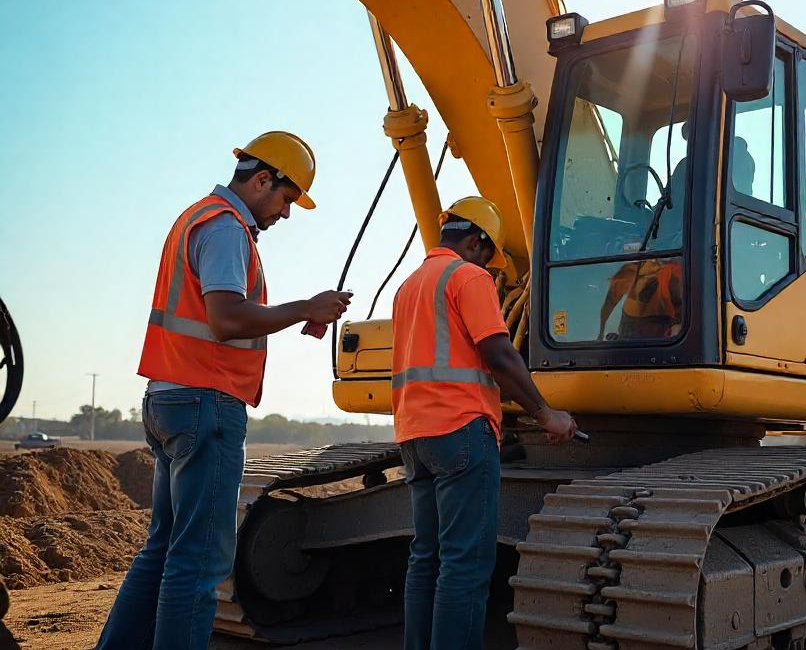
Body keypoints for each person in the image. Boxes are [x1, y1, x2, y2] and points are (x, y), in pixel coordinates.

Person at [95, 132, 351, 650]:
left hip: (169, 397)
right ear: (262, 179)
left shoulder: (196, 217)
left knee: (164, 548)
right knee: (199, 560)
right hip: (203, 401)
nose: (285, 213)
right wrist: (307, 307)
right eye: (286, 198)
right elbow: (226, 318)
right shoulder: (227, 229)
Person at [391, 197, 578, 650]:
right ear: (476, 241)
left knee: (426, 558)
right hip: (461, 430)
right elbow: (498, 353)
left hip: (414, 435)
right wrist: (544, 414)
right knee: (465, 564)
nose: (490, 268)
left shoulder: (409, 286)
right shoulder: (467, 277)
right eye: (487, 256)